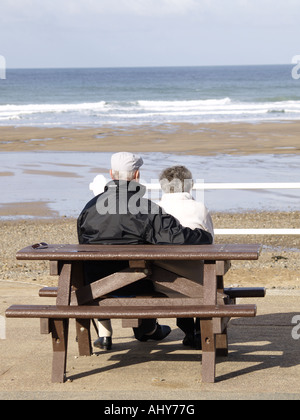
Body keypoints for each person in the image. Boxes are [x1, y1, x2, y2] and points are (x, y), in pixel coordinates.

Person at [77, 152, 213, 351]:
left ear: (111, 174)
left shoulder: (89, 208)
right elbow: (177, 238)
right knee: (151, 274)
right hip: (134, 286)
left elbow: (82, 245)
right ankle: (148, 329)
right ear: (137, 175)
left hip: (94, 286)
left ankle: (110, 332)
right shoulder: (146, 208)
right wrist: (204, 236)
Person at [158, 165, 215, 349]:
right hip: (198, 281)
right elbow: (211, 241)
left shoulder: (154, 210)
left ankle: (189, 330)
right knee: (207, 274)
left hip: (160, 281)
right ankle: (198, 330)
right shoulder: (199, 208)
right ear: (189, 185)